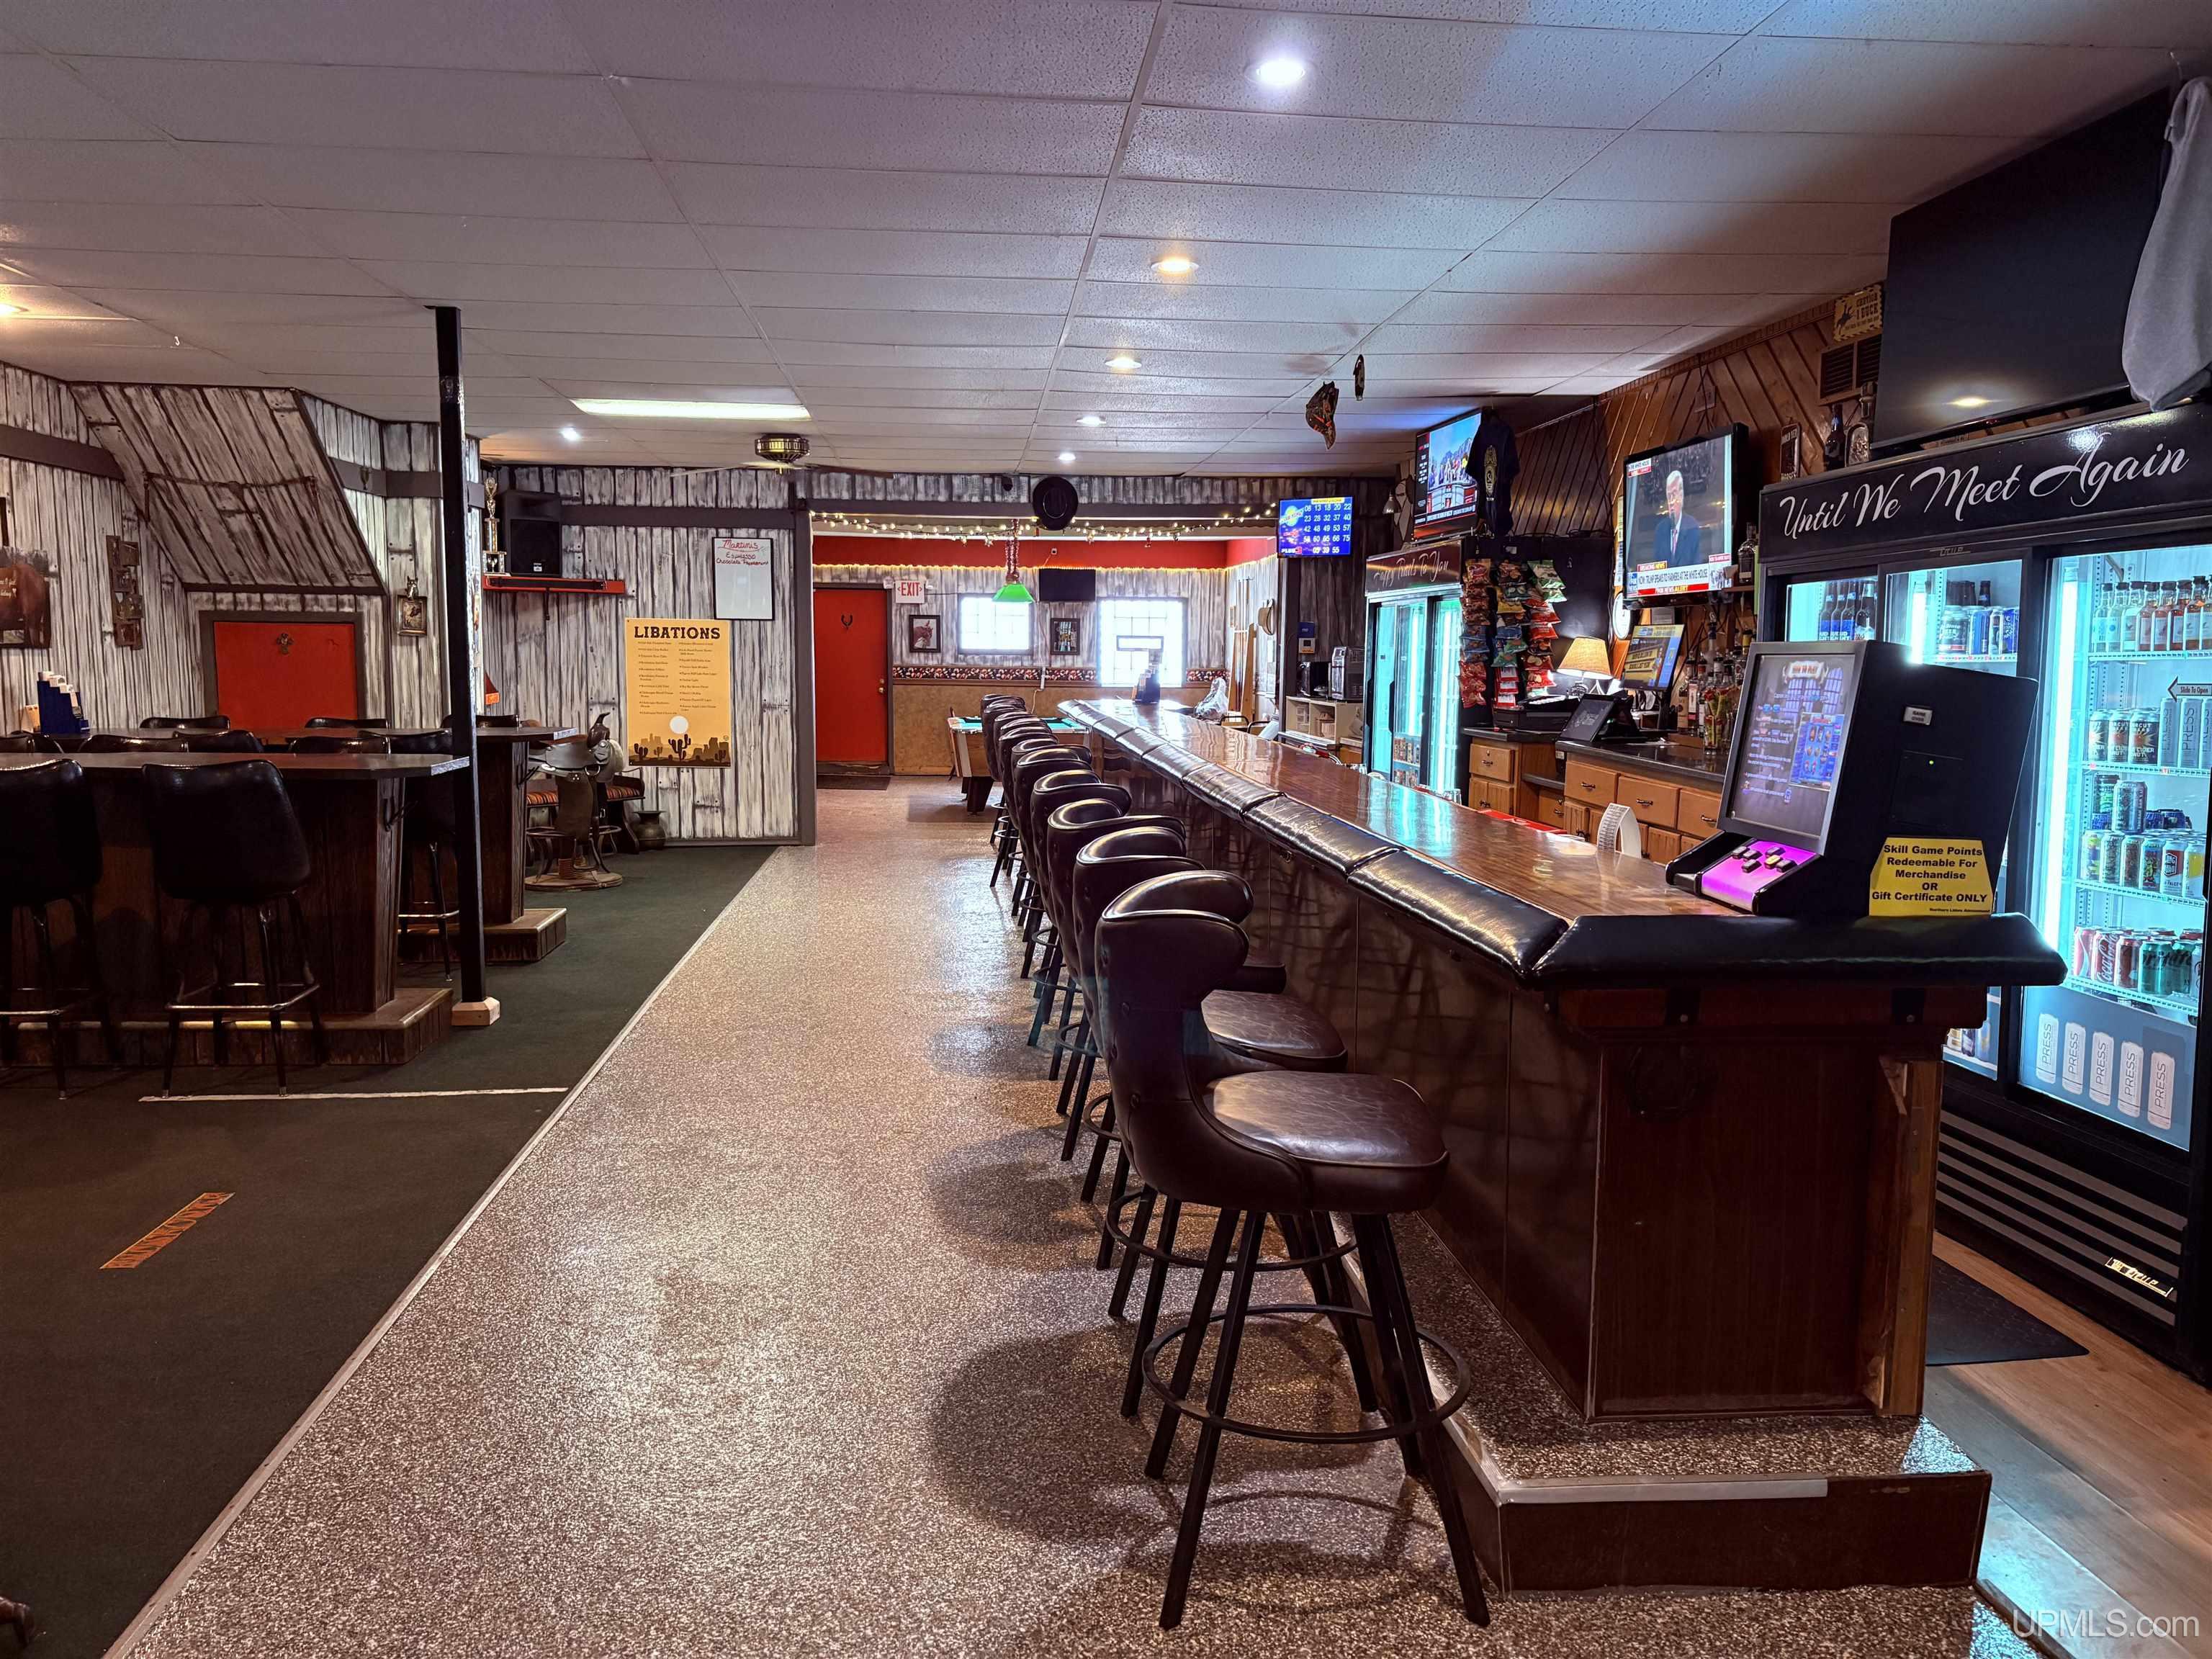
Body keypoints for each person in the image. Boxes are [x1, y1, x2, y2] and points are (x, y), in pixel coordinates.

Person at [1658, 469, 1701, 566]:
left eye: (1674, 494)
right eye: (1669, 495)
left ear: (1681, 496)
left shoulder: (1693, 527)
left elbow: (1698, 563)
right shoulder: (1660, 530)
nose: (1671, 501)